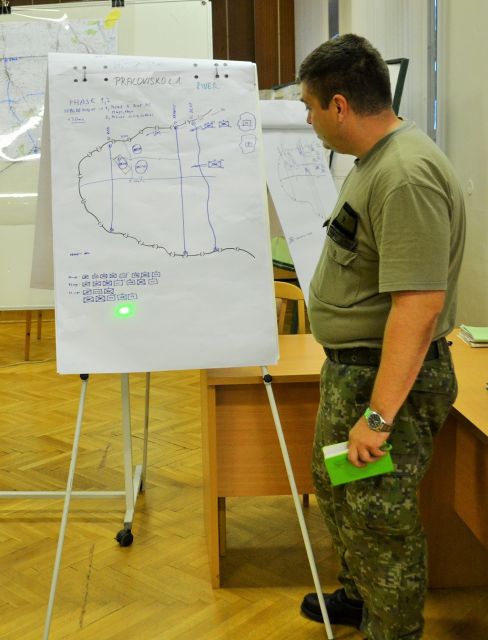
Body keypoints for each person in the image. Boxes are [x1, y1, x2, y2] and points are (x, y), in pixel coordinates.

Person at [297, 34, 466, 640]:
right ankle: (360, 597)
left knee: (379, 516)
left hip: (385, 380)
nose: (308, 120)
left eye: (310, 107)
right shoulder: (375, 161)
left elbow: (418, 308)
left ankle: (392, 631)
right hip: (357, 369)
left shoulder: (405, 175)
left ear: (339, 106)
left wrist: (377, 417)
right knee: (341, 490)